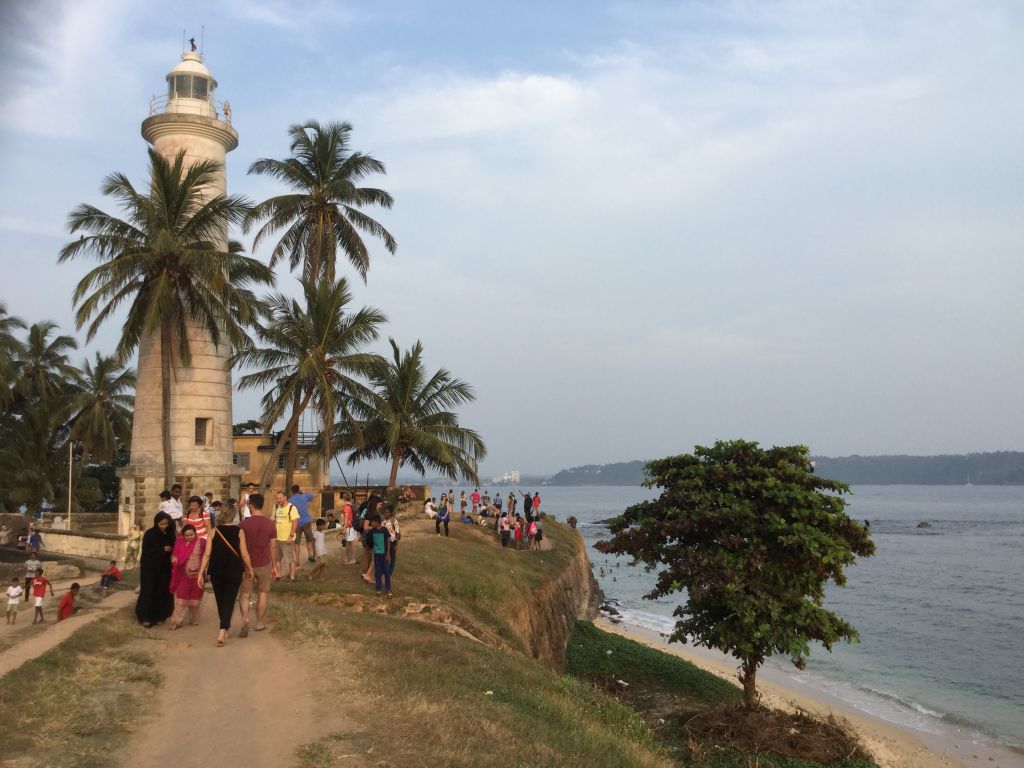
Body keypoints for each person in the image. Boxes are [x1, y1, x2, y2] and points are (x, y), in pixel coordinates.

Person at [198, 501, 253, 646]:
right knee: (229, 600)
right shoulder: (239, 531)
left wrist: (200, 572)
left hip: (216, 570)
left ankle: (224, 628)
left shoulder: (213, 531)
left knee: (221, 600)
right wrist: (250, 568)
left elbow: (207, 554)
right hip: (234, 570)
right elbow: (245, 554)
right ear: (234, 515)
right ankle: (223, 630)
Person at [238, 493, 277, 634]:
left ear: (251, 506)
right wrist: (275, 566)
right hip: (264, 563)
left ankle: (245, 619)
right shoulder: (270, 524)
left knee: (244, 594)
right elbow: (273, 546)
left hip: (246, 565)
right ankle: (259, 623)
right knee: (262, 593)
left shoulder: (243, 524)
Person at [135, 511, 176, 627]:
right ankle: (145, 617)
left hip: (164, 568)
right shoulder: (150, 534)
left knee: (162, 590)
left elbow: (174, 545)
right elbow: (147, 550)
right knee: (149, 590)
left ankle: (160, 615)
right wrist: (162, 550)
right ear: (156, 523)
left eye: (166, 524)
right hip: (150, 568)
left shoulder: (169, 533)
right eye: (162, 524)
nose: (164, 526)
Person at [168, 524, 206, 629]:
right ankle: (176, 622)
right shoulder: (179, 544)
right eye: (187, 535)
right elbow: (174, 556)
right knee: (180, 599)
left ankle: (194, 620)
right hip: (183, 575)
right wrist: (174, 560)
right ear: (183, 535)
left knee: (195, 599)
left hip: (197, 575)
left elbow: (208, 554)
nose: (189, 537)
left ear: (195, 533)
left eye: (191, 535)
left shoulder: (202, 543)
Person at [273, 491, 299, 581]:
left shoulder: (292, 508)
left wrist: (291, 536)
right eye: (277, 498)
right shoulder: (278, 508)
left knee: (289, 559)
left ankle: (292, 577)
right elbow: (276, 522)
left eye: (280, 498)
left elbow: (295, 522)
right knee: (277, 559)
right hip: (278, 538)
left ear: (285, 497)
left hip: (287, 538)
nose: (278, 500)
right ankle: (279, 575)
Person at [289, 484, 316, 564]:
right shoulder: (304, 496)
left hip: (296, 523)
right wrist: (302, 492)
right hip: (306, 521)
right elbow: (313, 495)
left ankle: (297, 560)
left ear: (292, 491)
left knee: (297, 542)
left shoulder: (290, 500)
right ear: (299, 490)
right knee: (309, 540)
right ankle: (310, 555)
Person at [368, 517, 392, 598]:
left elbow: (388, 540)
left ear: (377, 522)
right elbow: (370, 542)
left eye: (372, 522)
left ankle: (388, 589)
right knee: (378, 573)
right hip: (377, 555)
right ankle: (379, 588)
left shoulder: (384, 530)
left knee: (387, 573)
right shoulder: (372, 531)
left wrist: (388, 553)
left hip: (385, 555)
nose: (371, 524)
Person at [382, 505, 400, 575]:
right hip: (385, 542)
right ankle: (385, 569)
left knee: (393, 557)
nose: (386, 514)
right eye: (385, 512)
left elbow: (397, 532)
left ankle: (390, 572)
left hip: (393, 542)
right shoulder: (383, 522)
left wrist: (397, 544)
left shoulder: (394, 521)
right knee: (386, 556)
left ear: (391, 513)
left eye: (387, 512)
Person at [341, 493, 357, 565]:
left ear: (344, 498)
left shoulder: (346, 507)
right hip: (352, 526)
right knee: (348, 542)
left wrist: (344, 528)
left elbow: (346, 519)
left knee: (351, 543)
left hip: (349, 527)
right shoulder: (352, 505)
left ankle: (353, 559)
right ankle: (346, 557)